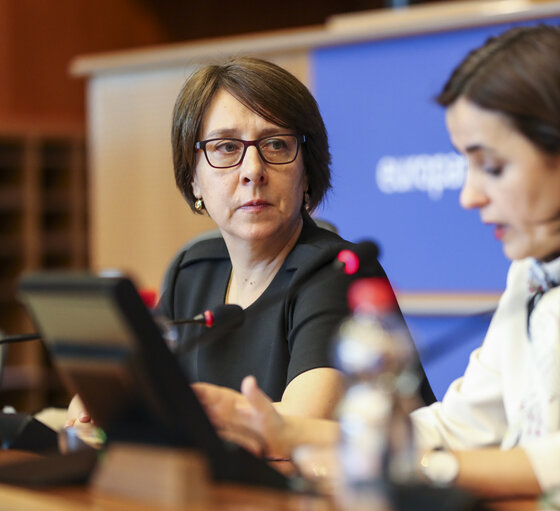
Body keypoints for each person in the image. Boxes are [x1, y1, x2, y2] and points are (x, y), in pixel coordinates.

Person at [192, 26, 560, 508]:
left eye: (491, 166)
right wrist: (288, 433)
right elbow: (462, 424)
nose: (469, 195)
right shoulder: (547, 266)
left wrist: (423, 477)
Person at [67, 57, 434, 427]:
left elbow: (302, 422)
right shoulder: (193, 269)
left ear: (306, 170)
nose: (253, 171)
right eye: (226, 147)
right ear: (192, 177)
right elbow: (134, 382)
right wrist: (100, 399)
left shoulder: (335, 271)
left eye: (275, 144)